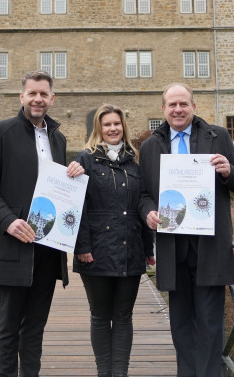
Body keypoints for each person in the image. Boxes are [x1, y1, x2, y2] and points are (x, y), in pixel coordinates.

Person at [0, 71, 85, 377]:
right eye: (32, 93)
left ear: (52, 98)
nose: (38, 99)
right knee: (9, 327)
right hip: (14, 245)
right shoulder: (1, 132)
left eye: (44, 94)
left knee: (35, 328)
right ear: (21, 96)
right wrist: (8, 221)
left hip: (49, 248)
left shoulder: (58, 138)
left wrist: (74, 172)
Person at [138, 83, 234, 377]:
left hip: (210, 247)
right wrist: (148, 212)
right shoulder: (151, 146)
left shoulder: (217, 136)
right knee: (180, 325)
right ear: (163, 109)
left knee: (210, 325)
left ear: (193, 107)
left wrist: (228, 172)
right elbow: (144, 194)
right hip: (173, 249)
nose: (178, 109)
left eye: (183, 104)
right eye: (172, 105)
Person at [73, 104, 155, 377]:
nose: (112, 128)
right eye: (106, 124)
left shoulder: (134, 164)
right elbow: (78, 207)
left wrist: (148, 247)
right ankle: (103, 372)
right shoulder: (84, 160)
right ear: (99, 128)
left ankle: (119, 372)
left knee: (122, 316)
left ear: (123, 127)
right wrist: (82, 247)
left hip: (129, 249)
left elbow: (141, 204)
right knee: (99, 316)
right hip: (95, 251)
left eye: (116, 124)